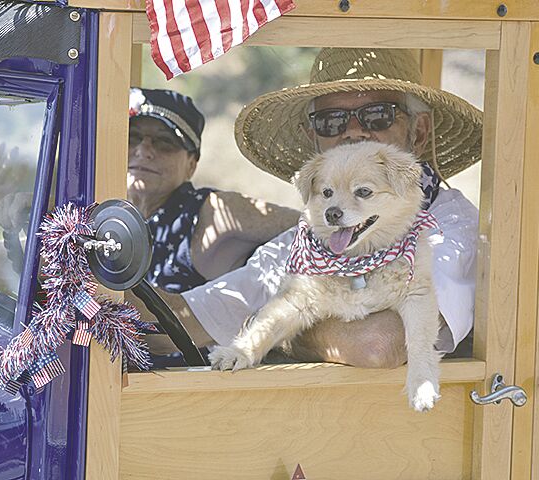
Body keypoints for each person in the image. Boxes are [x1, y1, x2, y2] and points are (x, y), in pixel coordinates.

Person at [134, 48, 482, 368]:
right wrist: (93, 279)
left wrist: (278, 332)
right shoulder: (307, 239)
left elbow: (379, 344)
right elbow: (181, 324)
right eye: (332, 121)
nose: (353, 132)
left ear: (418, 133)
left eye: (377, 116)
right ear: (314, 139)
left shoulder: (448, 224)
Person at [126, 88, 298, 293]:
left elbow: (313, 228)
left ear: (191, 165)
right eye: (132, 137)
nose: (143, 151)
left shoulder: (214, 210)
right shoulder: (99, 210)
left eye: (164, 142)